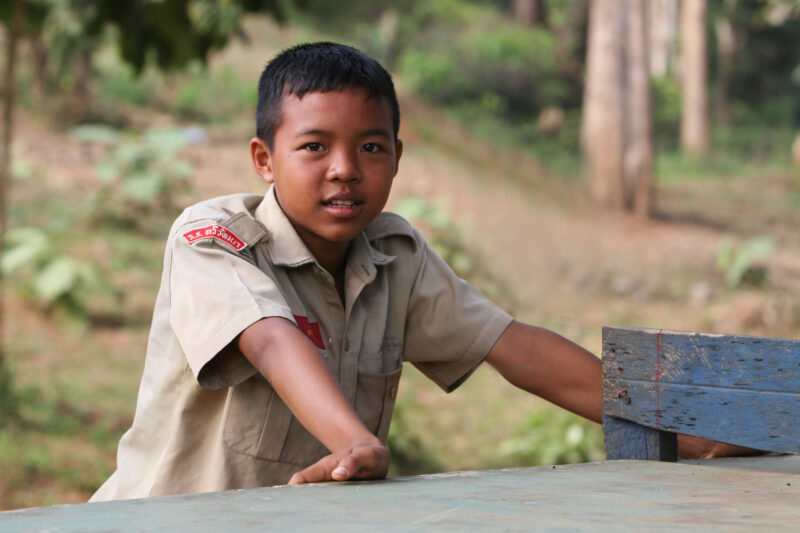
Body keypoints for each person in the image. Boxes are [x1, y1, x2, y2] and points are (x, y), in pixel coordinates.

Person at [91, 42, 741, 502]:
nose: (344, 168)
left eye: (370, 147)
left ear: (397, 158)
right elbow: (269, 336)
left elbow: (513, 347)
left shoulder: (395, 257)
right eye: (314, 146)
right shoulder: (215, 239)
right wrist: (355, 440)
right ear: (264, 158)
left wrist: (682, 432)